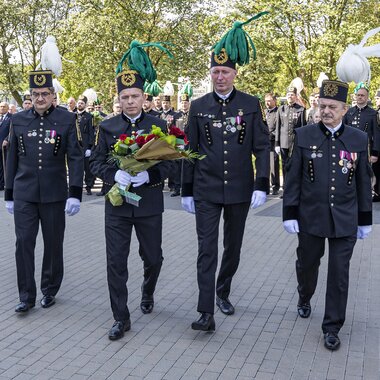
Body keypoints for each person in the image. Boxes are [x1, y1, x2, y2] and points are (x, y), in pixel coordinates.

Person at [181, 14, 270, 332]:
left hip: (240, 189)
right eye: (215, 71)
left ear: (235, 73)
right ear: (210, 73)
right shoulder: (197, 105)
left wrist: (262, 184)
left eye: (225, 71)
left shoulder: (251, 103)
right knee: (207, 248)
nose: (220, 77)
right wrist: (186, 189)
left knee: (233, 246)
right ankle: (206, 312)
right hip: (206, 188)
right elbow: (188, 149)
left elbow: (262, 146)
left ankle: (223, 291)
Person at [90, 41, 173, 341]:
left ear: (143, 96)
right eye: (124, 97)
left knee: (153, 258)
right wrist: (116, 174)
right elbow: (96, 163)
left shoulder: (158, 126)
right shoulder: (108, 126)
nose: (130, 102)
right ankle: (120, 318)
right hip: (118, 206)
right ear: (119, 98)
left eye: (135, 96)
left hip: (149, 202)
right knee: (116, 262)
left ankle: (147, 291)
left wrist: (149, 174)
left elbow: (172, 165)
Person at [282, 79, 372, 351]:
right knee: (308, 264)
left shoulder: (358, 138)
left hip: (345, 216)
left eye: (332, 106)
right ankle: (304, 295)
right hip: (311, 215)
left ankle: (332, 327)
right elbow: (293, 177)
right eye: (322, 106)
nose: (326, 111)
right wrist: (289, 213)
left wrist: (365, 219)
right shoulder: (306, 135)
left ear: (345, 109)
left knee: (339, 273)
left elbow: (363, 182)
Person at [4, 69, 84, 313]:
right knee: (23, 243)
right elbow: (12, 158)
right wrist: (9, 194)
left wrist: (75, 193)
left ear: (53, 95)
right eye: (35, 94)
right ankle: (26, 296)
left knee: (53, 244)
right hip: (24, 193)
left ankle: (49, 290)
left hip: (54, 194)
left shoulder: (67, 119)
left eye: (45, 93)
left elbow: (76, 157)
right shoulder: (18, 120)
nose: (39, 98)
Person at [343, 83, 379, 201]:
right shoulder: (349, 112)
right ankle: (351, 194)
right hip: (350, 149)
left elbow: (376, 133)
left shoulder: (373, 113)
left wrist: (375, 153)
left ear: (367, 97)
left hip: (366, 150)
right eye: (358, 95)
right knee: (349, 171)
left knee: (364, 173)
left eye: (362, 95)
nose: (360, 97)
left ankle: (365, 195)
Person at [275, 86, 306, 184]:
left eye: (292, 95)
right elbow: (278, 127)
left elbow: (302, 127)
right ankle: (285, 187)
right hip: (284, 142)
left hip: (295, 142)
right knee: (284, 165)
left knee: (295, 165)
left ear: (296, 96)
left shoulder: (301, 109)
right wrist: (277, 144)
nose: (290, 96)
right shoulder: (281, 109)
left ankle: (295, 186)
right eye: (288, 94)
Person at [76, 95, 95, 195]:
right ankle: (77, 186)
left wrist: (90, 147)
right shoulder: (72, 115)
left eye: (82, 103)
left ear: (85, 105)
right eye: (79, 103)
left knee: (87, 168)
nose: (80, 104)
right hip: (75, 146)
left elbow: (91, 132)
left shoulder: (89, 116)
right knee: (76, 168)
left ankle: (88, 186)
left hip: (85, 145)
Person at [264, 93, 280, 195]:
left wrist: (273, 135)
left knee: (274, 164)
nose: (267, 103)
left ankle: (275, 186)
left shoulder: (278, 111)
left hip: (273, 141)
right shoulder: (264, 111)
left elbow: (279, 127)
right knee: (264, 164)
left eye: (269, 100)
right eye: (266, 101)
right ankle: (265, 187)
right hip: (264, 141)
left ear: (274, 100)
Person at [0, 102, 12, 190]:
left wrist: (7, 139)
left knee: (4, 165)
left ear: (8, 108)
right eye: (0, 106)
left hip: (5, 146)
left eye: (4, 106)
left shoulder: (11, 118)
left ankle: (3, 183)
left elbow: (12, 131)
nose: (2, 108)